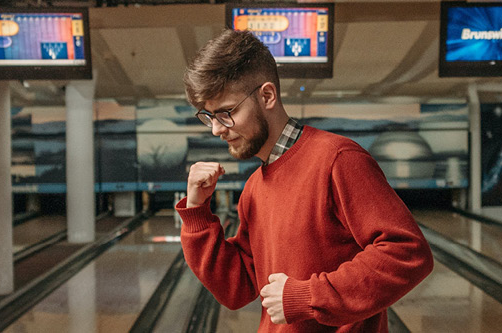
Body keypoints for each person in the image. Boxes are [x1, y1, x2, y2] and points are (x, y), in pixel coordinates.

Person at [176, 30, 433, 332]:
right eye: (208, 116)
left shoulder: (338, 159)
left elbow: (407, 252)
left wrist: (309, 296)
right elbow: (238, 287)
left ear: (267, 96)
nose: (216, 130)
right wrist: (196, 213)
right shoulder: (254, 188)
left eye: (226, 113)